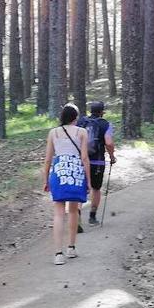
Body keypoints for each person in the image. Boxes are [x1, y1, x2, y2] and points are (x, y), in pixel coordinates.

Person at [42, 103, 91, 265]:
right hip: (76, 172)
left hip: (58, 172)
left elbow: (48, 159)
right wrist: (88, 181)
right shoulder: (82, 132)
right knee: (73, 211)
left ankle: (58, 253)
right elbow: (84, 158)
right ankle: (71, 247)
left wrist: (45, 179)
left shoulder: (53, 133)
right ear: (75, 118)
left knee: (58, 213)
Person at [78, 101, 116, 225]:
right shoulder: (105, 124)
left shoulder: (82, 122)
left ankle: (76, 216)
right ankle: (92, 217)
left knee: (80, 188)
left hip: (80, 160)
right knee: (96, 189)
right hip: (97, 162)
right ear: (102, 111)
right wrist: (112, 156)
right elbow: (109, 143)